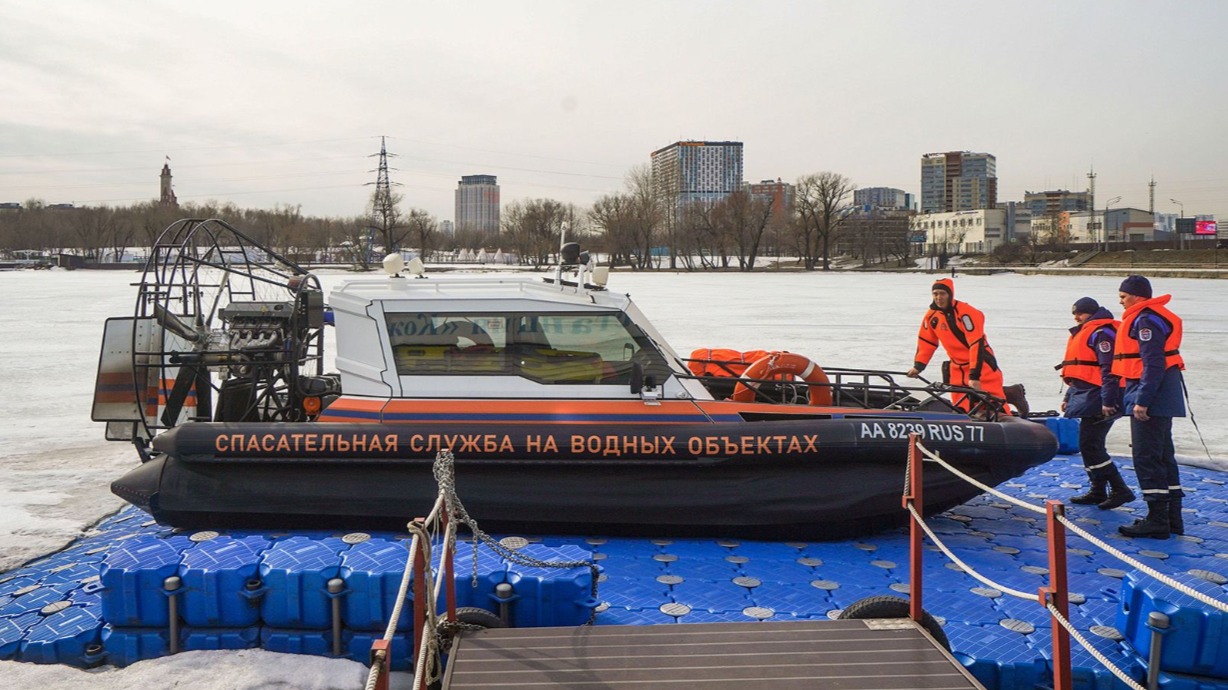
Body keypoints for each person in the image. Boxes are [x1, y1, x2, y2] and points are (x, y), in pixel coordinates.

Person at [1113, 275, 1186, 539]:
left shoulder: (1145, 320)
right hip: (1161, 394)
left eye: (1123, 296)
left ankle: (1157, 520)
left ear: (1138, 296)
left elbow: (1153, 363)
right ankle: (1171, 519)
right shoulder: (1152, 316)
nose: (1120, 301)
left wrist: (1142, 400)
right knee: (1163, 456)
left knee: (1146, 457)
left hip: (1152, 396)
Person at [1059, 296, 1134, 509]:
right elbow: (1080, 371)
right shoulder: (1087, 331)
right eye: (1074, 313)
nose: (1076, 317)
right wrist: (1069, 396)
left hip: (1102, 396)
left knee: (1090, 444)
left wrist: (1108, 401)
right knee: (1090, 444)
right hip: (1088, 394)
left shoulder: (1103, 333)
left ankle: (1120, 489)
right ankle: (1098, 490)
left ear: (1091, 313)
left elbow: (1108, 369)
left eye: (1080, 313)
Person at [906, 278, 1011, 415]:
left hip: (981, 364)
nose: (938, 298)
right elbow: (927, 342)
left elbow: (976, 344)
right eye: (935, 294)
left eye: (942, 293)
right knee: (961, 405)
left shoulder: (966, 313)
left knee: (991, 402)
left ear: (950, 294)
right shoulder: (932, 316)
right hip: (956, 367)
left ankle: (1009, 407)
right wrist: (918, 366)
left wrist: (974, 375)